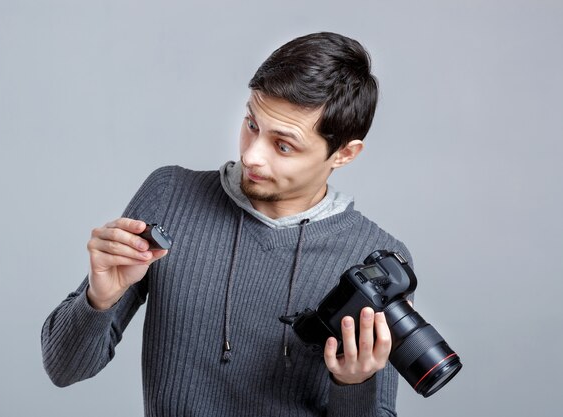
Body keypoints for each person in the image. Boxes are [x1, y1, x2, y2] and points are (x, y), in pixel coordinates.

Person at [41, 31, 413, 417]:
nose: (252, 156)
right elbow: (63, 369)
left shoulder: (376, 261)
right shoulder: (170, 195)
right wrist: (98, 301)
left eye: (283, 145)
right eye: (252, 124)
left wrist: (353, 385)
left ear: (345, 153)